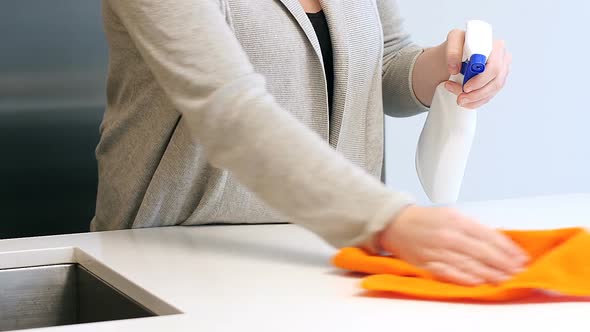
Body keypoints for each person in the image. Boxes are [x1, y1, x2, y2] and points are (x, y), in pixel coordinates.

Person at [93, 0, 527, 286]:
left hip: (323, 253)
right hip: (175, 258)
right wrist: (389, 220)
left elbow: (384, 62)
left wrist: (441, 66)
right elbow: (227, 111)